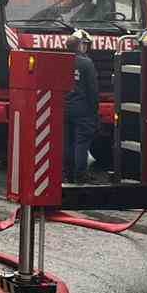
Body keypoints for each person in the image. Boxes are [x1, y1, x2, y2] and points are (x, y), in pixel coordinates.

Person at [65, 30, 99, 183]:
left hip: (65, 108)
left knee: (68, 142)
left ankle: (68, 172)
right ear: (79, 45)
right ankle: (80, 174)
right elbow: (92, 89)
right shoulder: (86, 63)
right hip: (83, 109)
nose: (86, 47)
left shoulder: (62, 61)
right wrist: (95, 109)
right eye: (84, 44)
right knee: (82, 142)